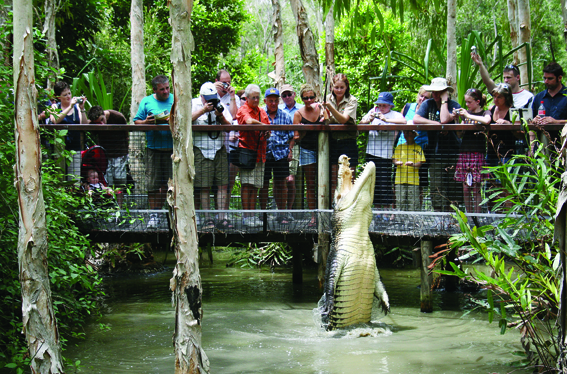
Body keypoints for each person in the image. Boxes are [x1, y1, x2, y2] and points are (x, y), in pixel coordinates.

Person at [413, 77, 462, 213]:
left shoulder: (454, 105)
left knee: (453, 186)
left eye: (438, 92)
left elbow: (444, 118)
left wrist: (445, 100)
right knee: (436, 187)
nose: (435, 94)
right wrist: (438, 126)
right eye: (433, 91)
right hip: (435, 154)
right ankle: (438, 218)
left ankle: (454, 219)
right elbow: (416, 118)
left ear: (445, 92)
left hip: (452, 153)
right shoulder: (427, 104)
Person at [133, 75, 173, 227]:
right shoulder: (147, 101)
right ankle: (154, 214)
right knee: (153, 184)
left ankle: (169, 213)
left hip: (172, 150)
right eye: (162, 89)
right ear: (155, 89)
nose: (166, 91)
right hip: (153, 149)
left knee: (170, 185)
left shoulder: (175, 100)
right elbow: (137, 121)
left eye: (167, 88)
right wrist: (146, 122)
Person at [192, 82, 232, 229]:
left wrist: (220, 116)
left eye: (212, 98)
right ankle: (207, 218)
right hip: (201, 150)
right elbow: (184, 122)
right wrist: (203, 110)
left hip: (218, 149)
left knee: (222, 184)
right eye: (207, 98)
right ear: (201, 97)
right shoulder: (193, 104)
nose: (210, 101)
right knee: (204, 186)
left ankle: (222, 217)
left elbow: (229, 128)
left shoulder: (220, 104)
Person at [360, 92, 405, 214]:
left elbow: (404, 122)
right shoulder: (372, 111)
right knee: (373, 182)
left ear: (390, 105)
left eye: (384, 105)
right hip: (371, 153)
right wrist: (368, 119)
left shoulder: (394, 115)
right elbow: (360, 123)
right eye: (379, 105)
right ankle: (377, 210)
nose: (381, 108)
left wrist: (385, 119)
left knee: (384, 182)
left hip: (385, 155)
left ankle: (386, 211)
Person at [236, 84, 270, 228]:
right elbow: (249, 122)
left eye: (258, 97)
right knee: (246, 185)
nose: (256, 100)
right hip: (247, 154)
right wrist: (262, 126)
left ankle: (252, 215)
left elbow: (268, 128)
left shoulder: (262, 111)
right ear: (247, 98)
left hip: (260, 154)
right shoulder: (243, 109)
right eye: (253, 97)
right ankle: (246, 216)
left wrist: (266, 131)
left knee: (255, 186)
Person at [452, 89, 491, 214]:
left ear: (477, 101)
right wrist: (457, 120)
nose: (467, 105)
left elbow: (487, 121)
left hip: (477, 153)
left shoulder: (485, 112)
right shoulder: (466, 115)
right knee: (465, 188)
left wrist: (468, 116)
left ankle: (477, 217)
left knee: (476, 187)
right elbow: (459, 135)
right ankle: (469, 216)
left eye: (469, 102)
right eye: (466, 102)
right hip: (464, 153)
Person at [259, 88, 294, 224]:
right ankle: (263, 214)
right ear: (266, 101)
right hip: (264, 153)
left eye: (275, 100)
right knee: (264, 184)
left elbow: (291, 136)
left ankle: (281, 213)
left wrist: (290, 150)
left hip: (280, 154)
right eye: (270, 101)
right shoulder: (261, 114)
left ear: (278, 101)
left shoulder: (285, 115)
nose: (273, 103)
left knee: (281, 183)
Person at [293, 84, 326, 227]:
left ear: (315, 96)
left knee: (325, 182)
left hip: (323, 149)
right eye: (306, 98)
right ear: (302, 98)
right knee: (311, 183)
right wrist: (304, 130)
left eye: (311, 97)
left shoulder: (321, 108)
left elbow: (328, 121)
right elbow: (296, 137)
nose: (309, 100)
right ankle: (313, 216)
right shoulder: (298, 114)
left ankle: (325, 213)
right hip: (307, 150)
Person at [323, 73, 358, 193]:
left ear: (346, 87)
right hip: (332, 142)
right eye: (336, 87)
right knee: (333, 179)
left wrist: (330, 108)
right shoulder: (327, 99)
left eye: (341, 87)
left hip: (348, 142)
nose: (339, 90)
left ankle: (349, 208)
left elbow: (343, 119)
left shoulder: (352, 100)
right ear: (332, 87)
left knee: (348, 179)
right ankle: (334, 207)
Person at [399, 87, 431, 206]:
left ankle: (417, 210)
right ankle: (396, 211)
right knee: (398, 180)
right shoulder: (408, 107)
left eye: (426, 97)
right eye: (421, 95)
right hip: (402, 148)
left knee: (419, 182)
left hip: (420, 149)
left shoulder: (430, 111)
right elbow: (399, 123)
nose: (422, 99)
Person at [50, 81, 87, 180]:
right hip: (59, 148)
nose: (68, 96)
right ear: (59, 97)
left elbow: (84, 124)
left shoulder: (76, 108)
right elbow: (55, 120)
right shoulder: (55, 107)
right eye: (65, 95)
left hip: (75, 148)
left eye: (69, 93)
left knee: (75, 179)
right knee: (60, 178)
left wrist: (82, 108)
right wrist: (69, 106)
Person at [279, 84, 304, 211]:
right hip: (279, 146)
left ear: (294, 94)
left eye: (289, 94)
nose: (287, 97)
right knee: (280, 179)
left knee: (290, 179)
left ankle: (288, 210)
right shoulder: (277, 109)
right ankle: (281, 210)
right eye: (284, 95)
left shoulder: (302, 108)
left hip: (295, 145)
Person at [531, 62, 567, 148]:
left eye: (550, 78)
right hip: (542, 146)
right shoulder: (539, 97)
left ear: (559, 78)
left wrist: (556, 122)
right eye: (545, 78)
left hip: (563, 145)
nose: (546, 81)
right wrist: (534, 120)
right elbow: (530, 120)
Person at [393, 130, 425, 212]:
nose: (408, 135)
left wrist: (413, 164)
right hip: (400, 180)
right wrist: (397, 162)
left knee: (413, 203)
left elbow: (420, 162)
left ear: (414, 135)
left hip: (413, 181)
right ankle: (400, 221)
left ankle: (413, 222)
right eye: (406, 133)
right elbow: (394, 159)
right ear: (404, 135)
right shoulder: (399, 147)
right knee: (400, 202)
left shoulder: (418, 148)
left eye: (410, 133)